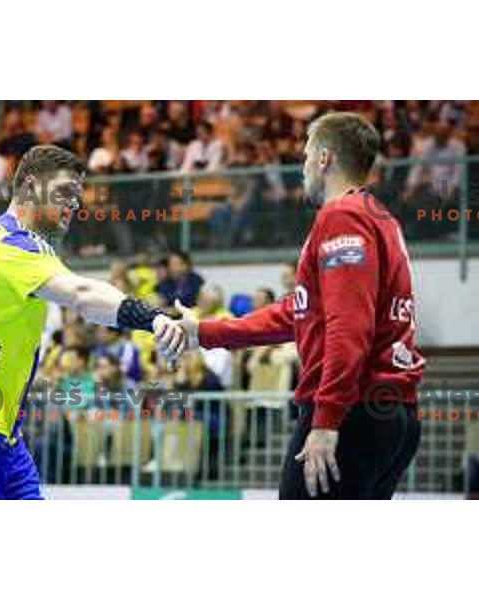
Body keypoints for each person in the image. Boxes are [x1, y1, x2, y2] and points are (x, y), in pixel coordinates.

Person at [0, 145, 186, 500]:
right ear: (32, 187)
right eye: (66, 192)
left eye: (77, 196)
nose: (75, 204)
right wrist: (153, 317)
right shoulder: (6, 245)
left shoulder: (23, 245)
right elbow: (81, 294)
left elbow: (85, 303)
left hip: (1, 435)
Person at [171, 112, 424, 500]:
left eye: (307, 154)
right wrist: (204, 332)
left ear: (324, 159)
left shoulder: (343, 215)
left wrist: (326, 420)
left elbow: (348, 326)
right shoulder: (378, 216)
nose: (302, 164)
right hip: (387, 413)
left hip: (353, 413)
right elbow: (297, 312)